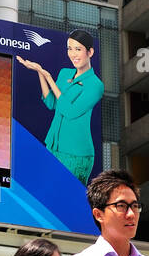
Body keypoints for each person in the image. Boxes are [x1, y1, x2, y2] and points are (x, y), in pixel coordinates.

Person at [16, 30, 105, 184]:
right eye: (69, 48)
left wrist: (49, 77)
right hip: (53, 145)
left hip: (76, 154)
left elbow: (70, 112)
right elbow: (51, 102)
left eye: (78, 49)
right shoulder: (65, 74)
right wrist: (40, 72)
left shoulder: (95, 85)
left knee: (66, 199)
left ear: (90, 52)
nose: (72, 54)